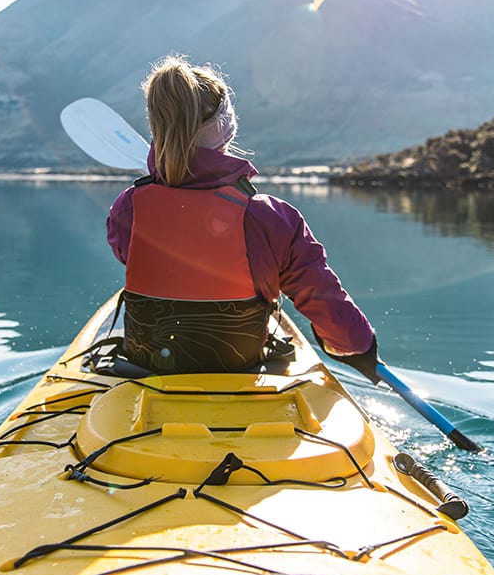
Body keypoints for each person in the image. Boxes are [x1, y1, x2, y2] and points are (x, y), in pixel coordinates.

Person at [106, 55, 379, 378]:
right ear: (225, 126)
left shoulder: (127, 209)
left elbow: (138, 255)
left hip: (149, 370)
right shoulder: (270, 217)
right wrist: (360, 348)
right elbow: (333, 316)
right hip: (239, 370)